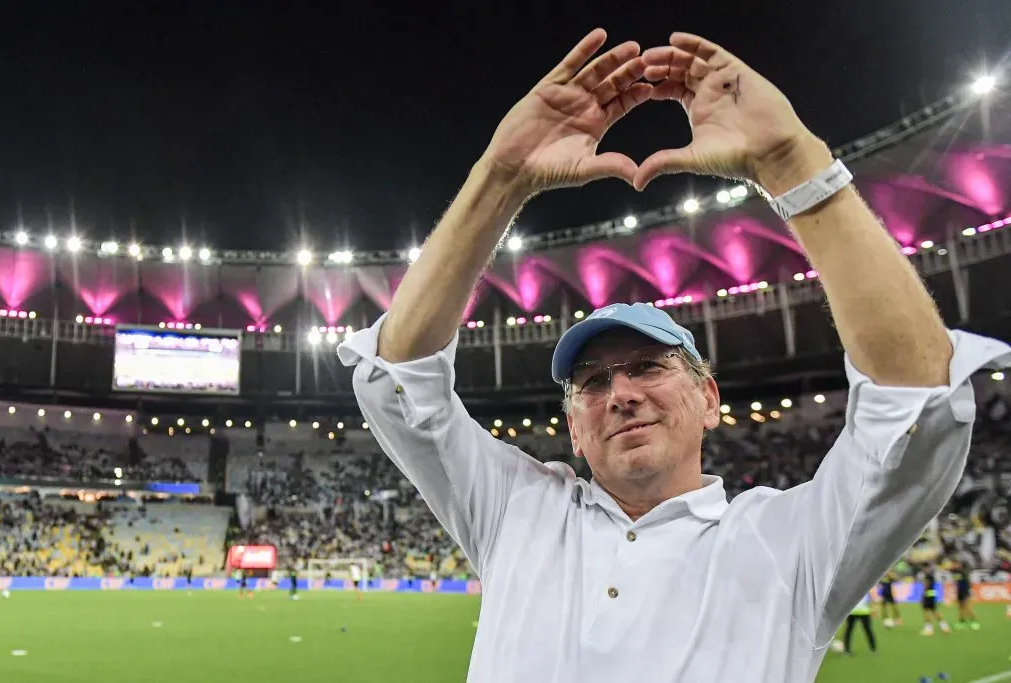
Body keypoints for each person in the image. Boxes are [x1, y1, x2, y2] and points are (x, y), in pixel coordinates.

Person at [337, 28, 1011, 682]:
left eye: (648, 366)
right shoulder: (518, 510)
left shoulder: (791, 543)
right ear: (573, 426)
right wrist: (499, 179)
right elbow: (400, 383)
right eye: (593, 381)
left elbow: (915, 400)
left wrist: (792, 162)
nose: (621, 392)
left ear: (709, 398)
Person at [919, 564, 950, 635]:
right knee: (935, 611)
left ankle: (929, 629)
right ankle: (945, 627)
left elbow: (926, 585)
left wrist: (923, 596)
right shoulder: (931, 575)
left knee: (926, 611)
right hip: (932, 595)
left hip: (927, 595)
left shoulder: (928, 576)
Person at [951, 560, 979, 629]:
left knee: (966, 607)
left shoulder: (964, 572)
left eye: (957, 564)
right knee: (960, 608)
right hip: (959, 591)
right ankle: (962, 622)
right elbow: (955, 580)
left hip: (965, 591)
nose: (956, 565)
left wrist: (970, 590)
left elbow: (965, 580)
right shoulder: (956, 572)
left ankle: (974, 622)